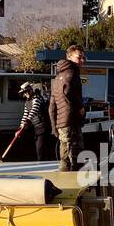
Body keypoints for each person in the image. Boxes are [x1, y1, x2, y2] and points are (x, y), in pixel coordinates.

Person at [48, 43, 85, 171]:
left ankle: (64, 178)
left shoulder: (57, 77)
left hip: (61, 123)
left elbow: (51, 106)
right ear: (69, 58)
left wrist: (54, 126)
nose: (82, 60)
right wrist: (80, 108)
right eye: (79, 57)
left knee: (64, 156)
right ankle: (74, 180)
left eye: (83, 57)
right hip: (72, 121)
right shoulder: (72, 73)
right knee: (75, 156)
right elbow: (67, 92)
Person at [18, 82, 49, 160]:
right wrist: (20, 128)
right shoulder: (27, 102)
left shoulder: (37, 98)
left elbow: (34, 110)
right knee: (37, 148)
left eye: (27, 91)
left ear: (30, 90)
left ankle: (42, 162)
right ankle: (40, 161)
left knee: (40, 148)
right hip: (35, 127)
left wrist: (27, 121)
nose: (26, 94)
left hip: (43, 126)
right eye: (24, 93)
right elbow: (25, 115)